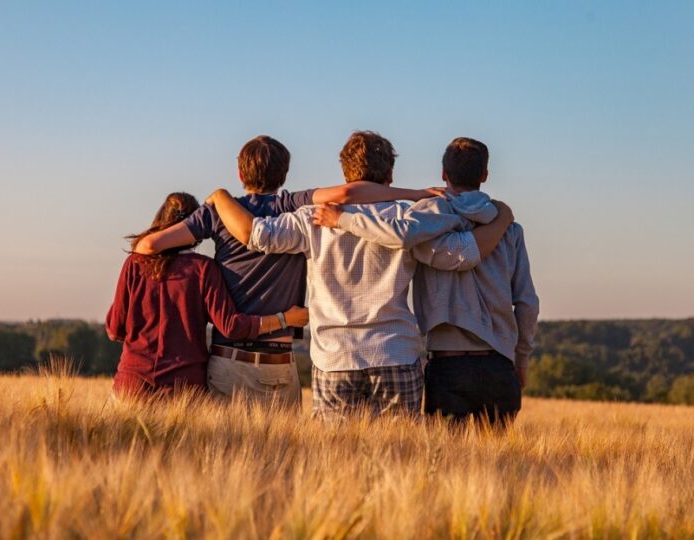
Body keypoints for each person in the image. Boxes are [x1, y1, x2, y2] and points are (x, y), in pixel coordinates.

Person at [209, 131, 513, 419]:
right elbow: (461, 255)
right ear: (390, 175)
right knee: (400, 459)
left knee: (335, 461)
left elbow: (257, 236)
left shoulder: (312, 218)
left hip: (335, 357)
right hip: (395, 353)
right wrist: (501, 219)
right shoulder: (408, 218)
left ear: (345, 174)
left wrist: (221, 197)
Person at [132, 135, 444, 406]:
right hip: (279, 362)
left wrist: (200, 256)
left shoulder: (217, 212)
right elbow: (349, 194)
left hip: (228, 359)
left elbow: (147, 247)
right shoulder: (292, 205)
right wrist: (414, 194)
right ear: (285, 174)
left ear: (240, 174)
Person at [313, 137, 539, 427]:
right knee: (498, 467)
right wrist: (521, 360)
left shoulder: (424, 220)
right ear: (485, 175)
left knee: (443, 465)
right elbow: (527, 302)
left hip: (447, 366)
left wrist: (344, 219)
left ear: (444, 174)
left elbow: (400, 235)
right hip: (499, 364)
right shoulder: (509, 229)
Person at [105, 192, 308, 398]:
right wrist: (285, 319)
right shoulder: (203, 269)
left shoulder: (134, 264)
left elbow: (115, 330)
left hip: (131, 385)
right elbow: (232, 327)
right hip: (183, 389)